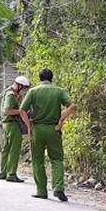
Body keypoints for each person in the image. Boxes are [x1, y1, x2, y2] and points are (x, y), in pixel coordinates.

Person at [20, 69, 76, 202]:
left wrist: (29, 126)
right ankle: (58, 188)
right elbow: (73, 106)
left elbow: (22, 110)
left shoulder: (33, 91)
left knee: (38, 160)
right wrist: (61, 120)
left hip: (37, 129)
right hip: (54, 129)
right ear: (52, 78)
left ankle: (41, 191)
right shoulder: (59, 91)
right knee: (57, 159)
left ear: (40, 78)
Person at [0, 76, 30, 183]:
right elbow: (7, 111)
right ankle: (11, 173)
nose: (24, 91)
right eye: (23, 88)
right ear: (19, 86)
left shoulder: (9, 93)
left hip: (7, 124)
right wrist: (21, 111)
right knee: (14, 149)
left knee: (6, 148)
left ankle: (3, 172)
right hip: (12, 124)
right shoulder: (11, 95)